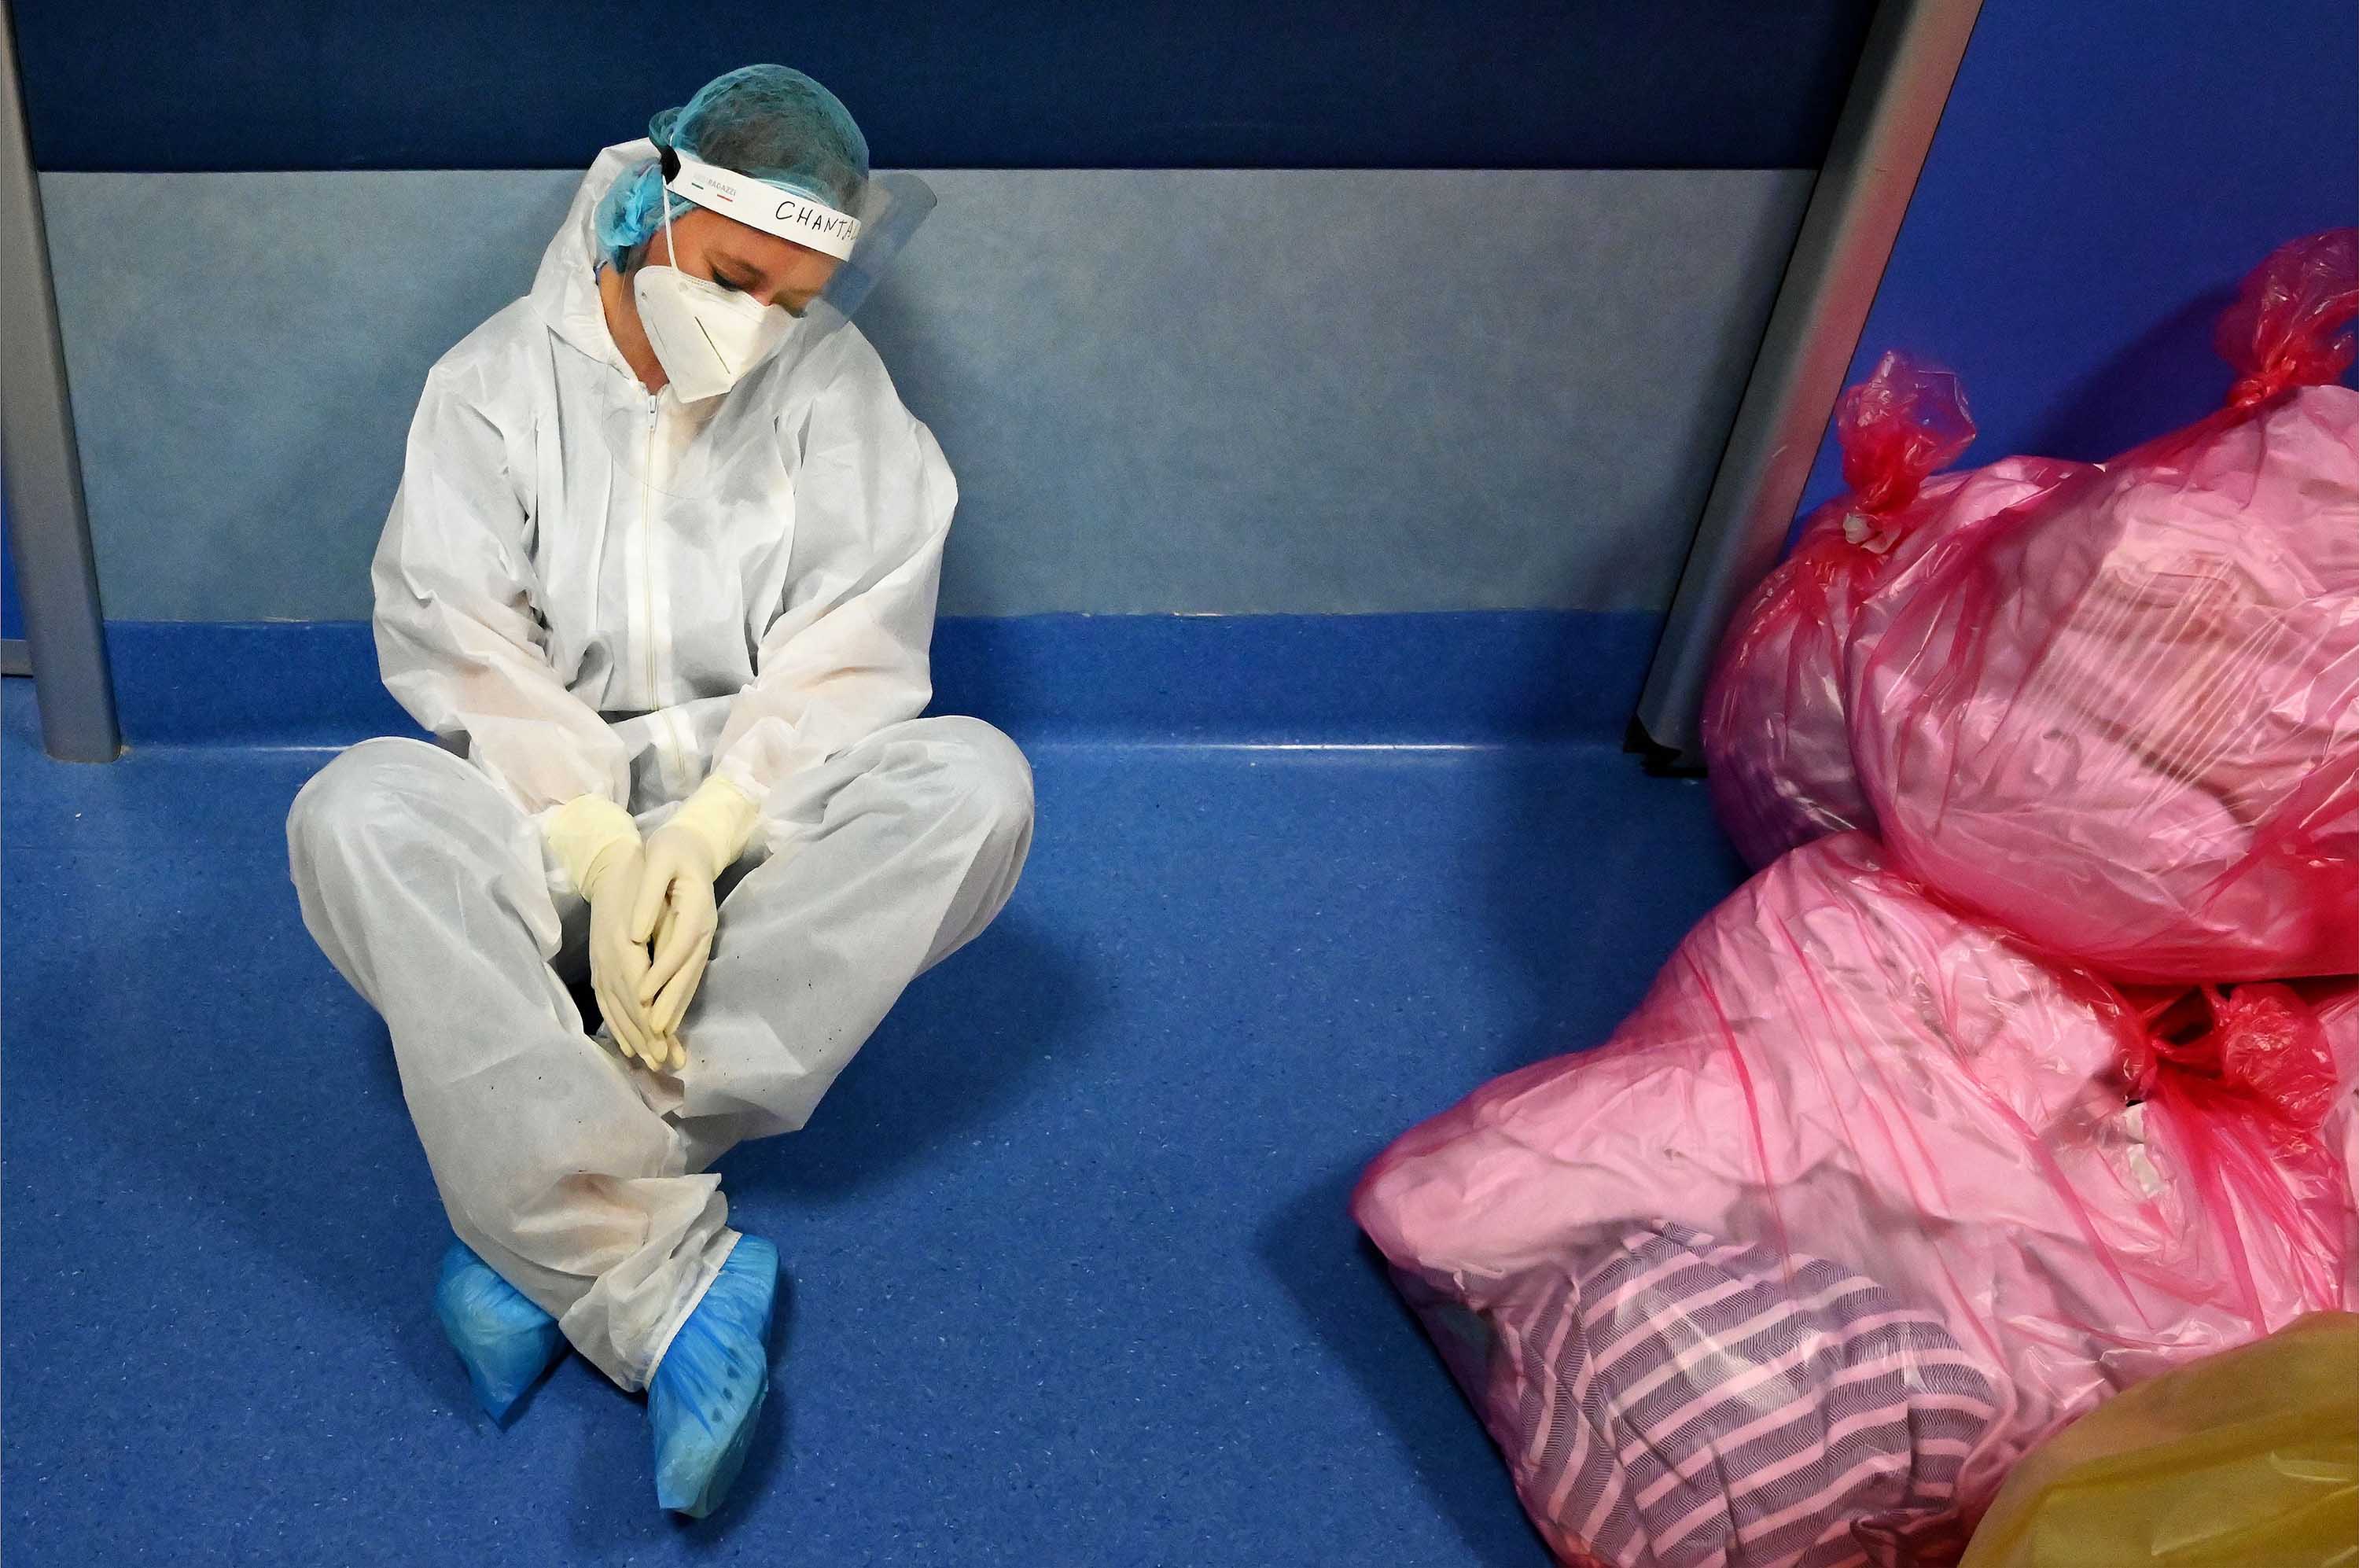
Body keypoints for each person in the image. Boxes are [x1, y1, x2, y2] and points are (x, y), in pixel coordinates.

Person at [286, 64, 1033, 1518]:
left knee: (977, 788)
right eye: (741, 278)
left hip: (745, 849)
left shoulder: (831, 390)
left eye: (796, 300)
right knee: (353, 816)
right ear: (648, 211)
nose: (758, 330)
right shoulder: (490, 387)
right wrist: (589, 829)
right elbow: (458, 637)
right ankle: (663, 1278)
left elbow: (855, 642)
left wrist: (706, 828)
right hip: (536, 830)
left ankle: (548, 1201)